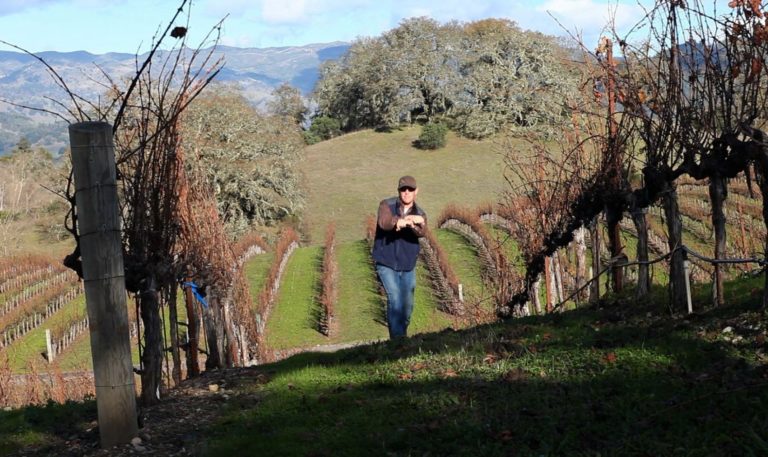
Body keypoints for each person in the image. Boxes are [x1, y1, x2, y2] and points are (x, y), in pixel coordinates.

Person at [372, 175, 427, 339]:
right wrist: (398, 221)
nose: (407, 193)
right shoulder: (386, 205)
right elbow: (384, 222)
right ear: (399, 191)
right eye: (404, 189)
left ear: (416, 192)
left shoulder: (420, 213)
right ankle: (398, 341)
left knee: (407, 307)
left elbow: (423, 232)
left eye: (410, 189)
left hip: (408, 265)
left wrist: (416, 222)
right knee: (394, 299)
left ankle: (401, 335)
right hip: (386, 262)